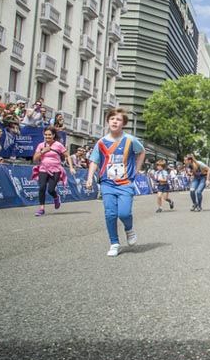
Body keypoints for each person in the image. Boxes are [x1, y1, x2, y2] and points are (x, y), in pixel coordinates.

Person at [86, 108, 145, 257]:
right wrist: (89, 178)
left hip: (125, 183)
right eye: (112, 118)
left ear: (123, 123)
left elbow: (142, 151)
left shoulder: (130, 140)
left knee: (124, 213)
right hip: (107, 183)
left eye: (118, 119)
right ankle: (114, 243)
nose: (114, 121)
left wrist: (136, 170)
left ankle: (129, 229)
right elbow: (94, 160)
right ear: (108, 121)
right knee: (110, 214)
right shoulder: (101, 143)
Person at [31, 126, 72, 216]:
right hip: (43, 169)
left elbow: (67, 155)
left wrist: (71, 167)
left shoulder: (58, 145)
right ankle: (42, 209)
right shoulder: (41, 145)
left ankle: (56, 197)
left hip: (55, 169)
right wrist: (43, 151)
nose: (47, 136)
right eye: (45, 135)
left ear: (53, 135)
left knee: (50, 190)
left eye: (49, 135)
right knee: (42, 187)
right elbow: (35, 159)